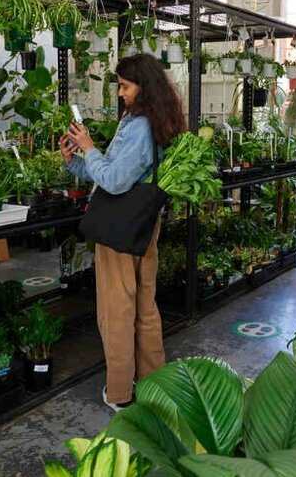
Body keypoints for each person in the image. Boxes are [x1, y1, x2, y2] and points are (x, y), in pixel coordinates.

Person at [61, 53, 186, 411]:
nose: (120, 93)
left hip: (120, 226)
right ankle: (154, 385)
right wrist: (75, 161)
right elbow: (112, 173)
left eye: (125, 86)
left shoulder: (140, 125)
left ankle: (119, 393)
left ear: (143, 87)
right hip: (142, 222)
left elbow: (114, 181)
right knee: (144, 306)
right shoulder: (154, 121)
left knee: (116, 311)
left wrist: (88, 148)